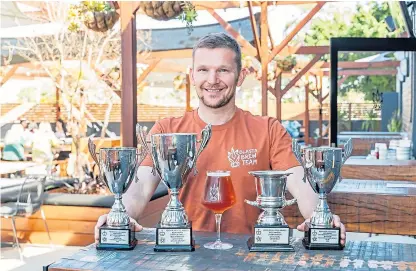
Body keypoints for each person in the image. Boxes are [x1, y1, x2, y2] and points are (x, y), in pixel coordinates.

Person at [95, 33, 346, 245]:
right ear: (192, 75)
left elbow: (301, 184)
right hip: (182, 253)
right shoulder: (167, 129)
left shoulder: (268, 129)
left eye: (223, 70)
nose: (212, 80)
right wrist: (120, 215)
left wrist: (318, 216)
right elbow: (139, 187)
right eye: (204, 70)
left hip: (250, 256)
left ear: (240, 76)